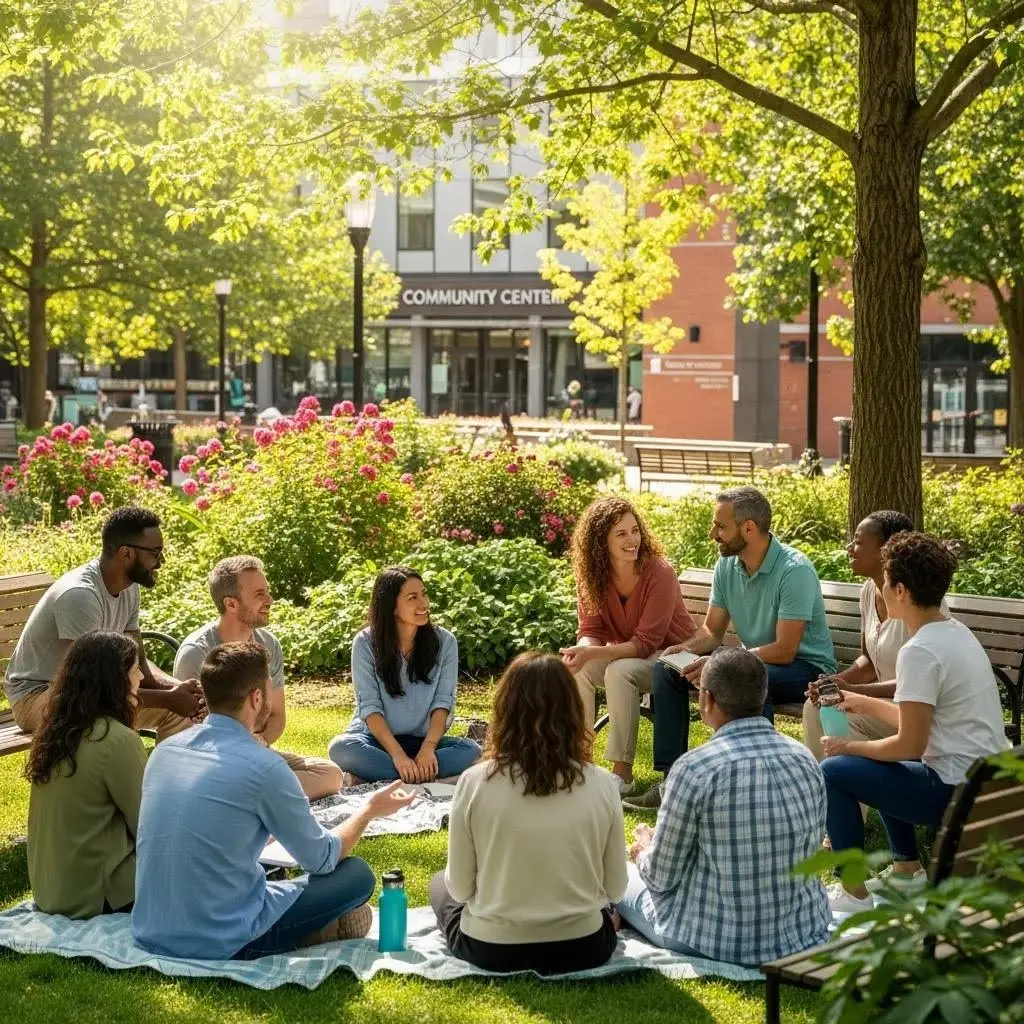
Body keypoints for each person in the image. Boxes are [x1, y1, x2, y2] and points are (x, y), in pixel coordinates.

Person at [132, 641, 417, 959]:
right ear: (256, 698)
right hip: (220, 937)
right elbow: (321, 859)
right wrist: (369, 810)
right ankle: (313, 931)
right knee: (356, 875)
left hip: (151, 927)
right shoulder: (265, 766)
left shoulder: (165, 751)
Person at [819, 532, 1011, 914]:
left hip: (955, 793)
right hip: (988, 783)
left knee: (835, 771)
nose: (882, 589)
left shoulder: (920, 651)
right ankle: (907, 869)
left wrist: (848, 747)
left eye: (886, 581)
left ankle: (853, 894)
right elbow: (923, 720)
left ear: (902, 590)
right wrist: (865, 704)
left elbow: (910, 745)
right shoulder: (955, 633)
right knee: (883, 763)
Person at [616, 647, 831, 966]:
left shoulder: (694, 768)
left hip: (714, 938)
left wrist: (644, 851)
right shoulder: (805, 758)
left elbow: (660, 878)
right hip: (802, 929)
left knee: (620, 878)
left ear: (707, 699)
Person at [430, 652, 628, 974]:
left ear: (505, 710)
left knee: (440, 883)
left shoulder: (474, 781)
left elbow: (460, 889)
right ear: (574, 711)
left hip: (491, 948)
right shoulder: (603, 784)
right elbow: (617, 889)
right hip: (583, 946)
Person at [655, 486, 836, 755]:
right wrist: (688, 649)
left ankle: (756, 769)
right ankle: (671, 775)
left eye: (720, 526)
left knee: (742, 679)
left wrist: (724, 664)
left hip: (805, 667)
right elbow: (712, 631)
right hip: (756, 661)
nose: (713, 534)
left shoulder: (794, 571)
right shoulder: (727, 565)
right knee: (667, 671)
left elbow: (785, 650)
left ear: (749, 528)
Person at [3, 506, 204, 738]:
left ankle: (163, 775)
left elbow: (136, 663)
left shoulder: (130, 588)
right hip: (36, 697)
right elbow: (94, 687)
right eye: (155, 553)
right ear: (126, 553)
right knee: (106, 712)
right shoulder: (80, 595)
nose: (160, 562)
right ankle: (115, 773)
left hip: (86, 692)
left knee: (178, 713)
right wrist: (168, 698)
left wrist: (181, 689)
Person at [173, 556, 342, 801]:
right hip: (209, 760)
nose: (269, 600)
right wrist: (244, 748)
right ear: (231, 604)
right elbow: (189, 731)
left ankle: (251, 794)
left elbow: (276, 716)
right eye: (259, 594)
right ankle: (260, 793)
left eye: (268, 591)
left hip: (254, 751)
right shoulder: (197, 652)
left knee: (329, 774)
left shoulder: (268, 645)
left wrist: (260, 741)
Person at [561, 497, 696, 795]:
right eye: (621, 534)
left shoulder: (659, 572)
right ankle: (581, 761)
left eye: (634, 530)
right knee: (579, 669)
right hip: (631, 654)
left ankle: (623, 773)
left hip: (674, 659)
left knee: (619, 671)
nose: (632, 539)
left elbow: (647, 641)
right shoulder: (592, 577)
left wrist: (594, 652)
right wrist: (581, 651)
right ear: (600, 541)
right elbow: (590, 630)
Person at [802, 510, 947, 761]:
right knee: (819, 705)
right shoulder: (869, 591)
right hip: (887, 705)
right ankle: (834, 783)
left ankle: (852, 782)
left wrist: (855, 691)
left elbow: (919, 678)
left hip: (915, 709)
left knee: (830, 714)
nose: (850, 548)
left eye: (858, 541)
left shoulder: (919, 604)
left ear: (886, 550)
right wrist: (837, 683)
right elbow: (868, 661)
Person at [25, 631, 147, 919]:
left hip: (50, 892)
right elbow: (149, 827)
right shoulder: (117, 740)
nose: (141, 676)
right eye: (134, 669)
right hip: (97, 898)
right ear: (113, 680)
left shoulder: (55, 735)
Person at [328, 567, 481, 783]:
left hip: (423, 742)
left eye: (424, 594)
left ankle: (392, 776)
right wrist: (398, 756)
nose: (423, 603)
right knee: (341, 749)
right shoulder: (364, 643)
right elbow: (370, 708)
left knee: (471, 750)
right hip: (377, 742)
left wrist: (428, 749)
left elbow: (443, 703)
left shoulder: (445, 642)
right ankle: (422, 776)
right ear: (391, 606)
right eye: (413, 597)